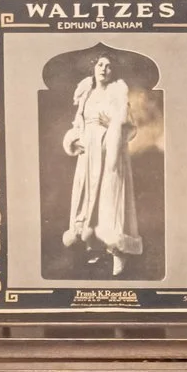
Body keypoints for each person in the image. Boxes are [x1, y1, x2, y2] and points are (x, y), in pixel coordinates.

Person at [60, 53, 142, 275]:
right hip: (88, 154)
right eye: (100, 64)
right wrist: (74, 140)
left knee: (109, 198)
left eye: (109, 66)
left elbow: (130, 128)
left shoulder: (117, 94)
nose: (105, 69)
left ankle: (117, 252)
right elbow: (79, 123)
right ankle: (93, 245)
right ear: (94, 68)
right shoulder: (85, 93)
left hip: (109, 153)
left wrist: (114, 127)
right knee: (87, 200)